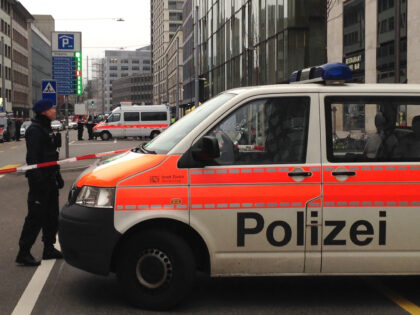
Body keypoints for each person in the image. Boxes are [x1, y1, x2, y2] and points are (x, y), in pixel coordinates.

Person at [16, 99, 64, 266]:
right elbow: (33, 159)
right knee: (35, 217)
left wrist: (57, 175)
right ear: (44, 111)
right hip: (40, 182)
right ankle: (23, 252)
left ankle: (48, 248)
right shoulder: (35, 130)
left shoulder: (46, 127)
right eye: (51, 108)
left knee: (52, 216)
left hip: (50, 179)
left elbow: (51, 155)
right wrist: (39, 180)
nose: (54, 110)